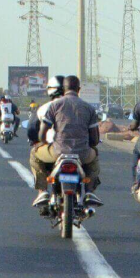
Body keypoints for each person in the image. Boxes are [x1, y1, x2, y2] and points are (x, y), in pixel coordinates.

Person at [30, 76, 102, 207]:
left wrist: (43, 143)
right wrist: (88, 146)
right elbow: (95, 139)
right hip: (82, 154)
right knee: (95, 156)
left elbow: (42, 134)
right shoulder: (89, 108)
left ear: (64, 89)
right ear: (79, 89)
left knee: (34, 154)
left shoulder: (54, 105)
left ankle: (42, 191)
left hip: (58, 151)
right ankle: (90, 191)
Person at [28, 75, 64, 145]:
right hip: (79, 149)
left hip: (52, 147)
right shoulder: (80, 106)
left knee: (34, 152)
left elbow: (31, 130)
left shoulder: (44, 108)